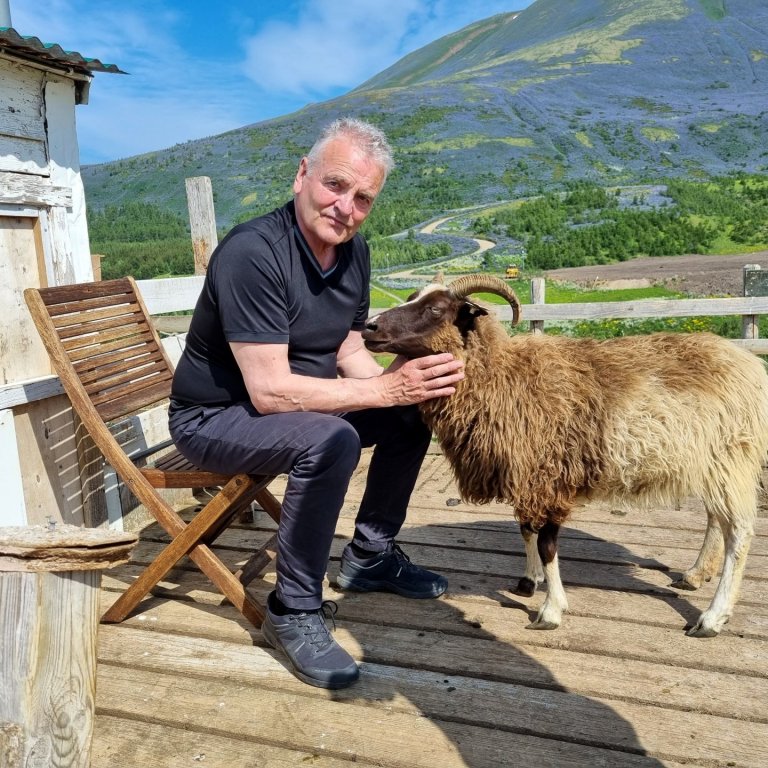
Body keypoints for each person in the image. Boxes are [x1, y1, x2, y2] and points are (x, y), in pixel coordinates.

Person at [168, 117, 464, 689]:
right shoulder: (254, 252)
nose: (345, 207)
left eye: (362, 198)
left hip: (294, 403)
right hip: (215, 417)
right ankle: (293, 609)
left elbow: (347, 341)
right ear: (302, 175)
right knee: (332, 439)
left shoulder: (353, 254)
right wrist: (379, 389)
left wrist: (392, 392)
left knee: (409, 412)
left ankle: (370, 556)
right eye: (335, 185)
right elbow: (270, 390)